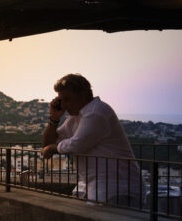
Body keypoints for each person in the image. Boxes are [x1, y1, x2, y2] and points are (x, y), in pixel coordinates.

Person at [41, 73, 144, 207]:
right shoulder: (74, 118)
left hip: (116, 185)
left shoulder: (96, 112)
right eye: (62, 100)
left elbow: (76, 145)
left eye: (67, 99)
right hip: (96, 183)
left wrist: (52, 148)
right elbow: (47, 143)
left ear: (82, 95)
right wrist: (54, 118)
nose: (64, 105)